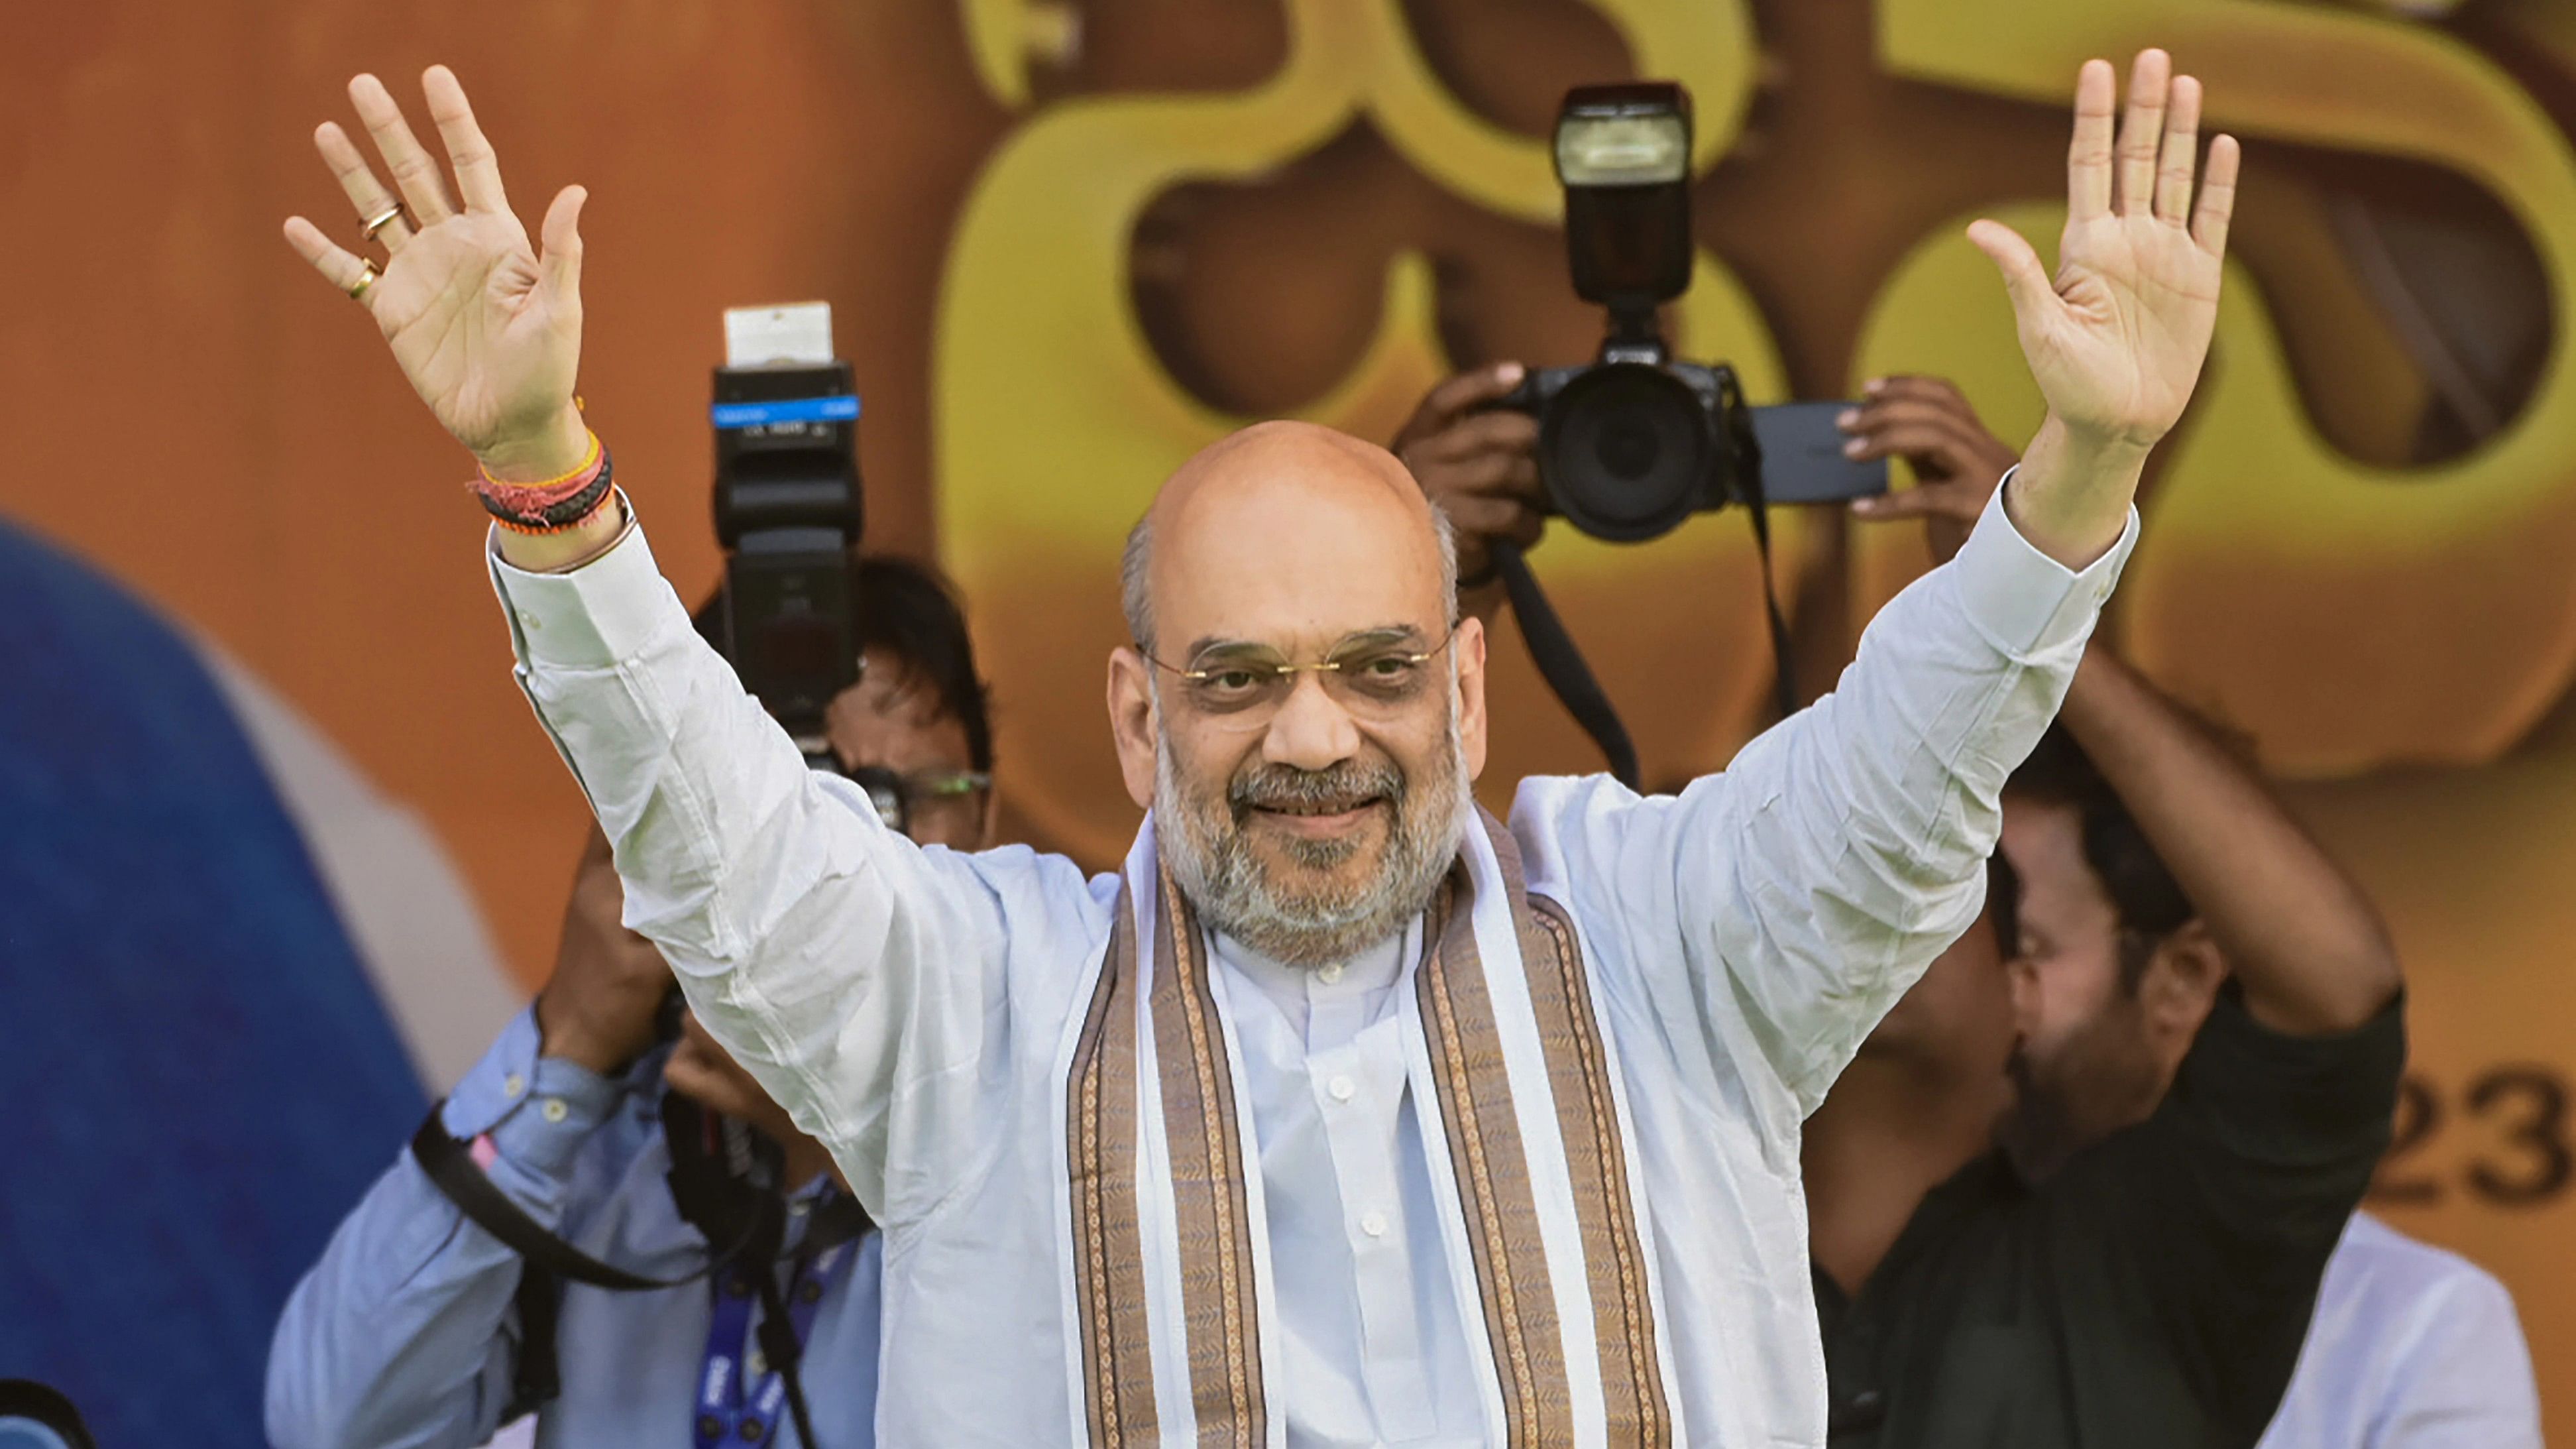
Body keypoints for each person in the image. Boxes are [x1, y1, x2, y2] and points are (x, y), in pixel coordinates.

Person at [281, 50, 2236, 1444]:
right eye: (1239, 679)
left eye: (1380, 669)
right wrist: (548, 474)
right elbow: (712, 831)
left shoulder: (1665, 938)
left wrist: (2079, 473)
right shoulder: (981, 1005)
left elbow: (1908, 775)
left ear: (1468, 693)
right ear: (1138, 716)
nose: (1319, 736)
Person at [1813, 374, 2522, 1448]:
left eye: (1994, 907)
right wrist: (1459, 584)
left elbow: (2336, 990)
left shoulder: (2151, 1274)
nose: (1905, 916)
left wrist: (2033, 604)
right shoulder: (1696, 1220)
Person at [264, 558, 997, 1449]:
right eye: (802, 805)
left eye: (907, 798)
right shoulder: (597, 1155)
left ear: (984, 822)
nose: (854, 854)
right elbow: (331, 1425)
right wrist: (564, 1044)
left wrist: (847, 1126)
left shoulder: (1047, 1123)